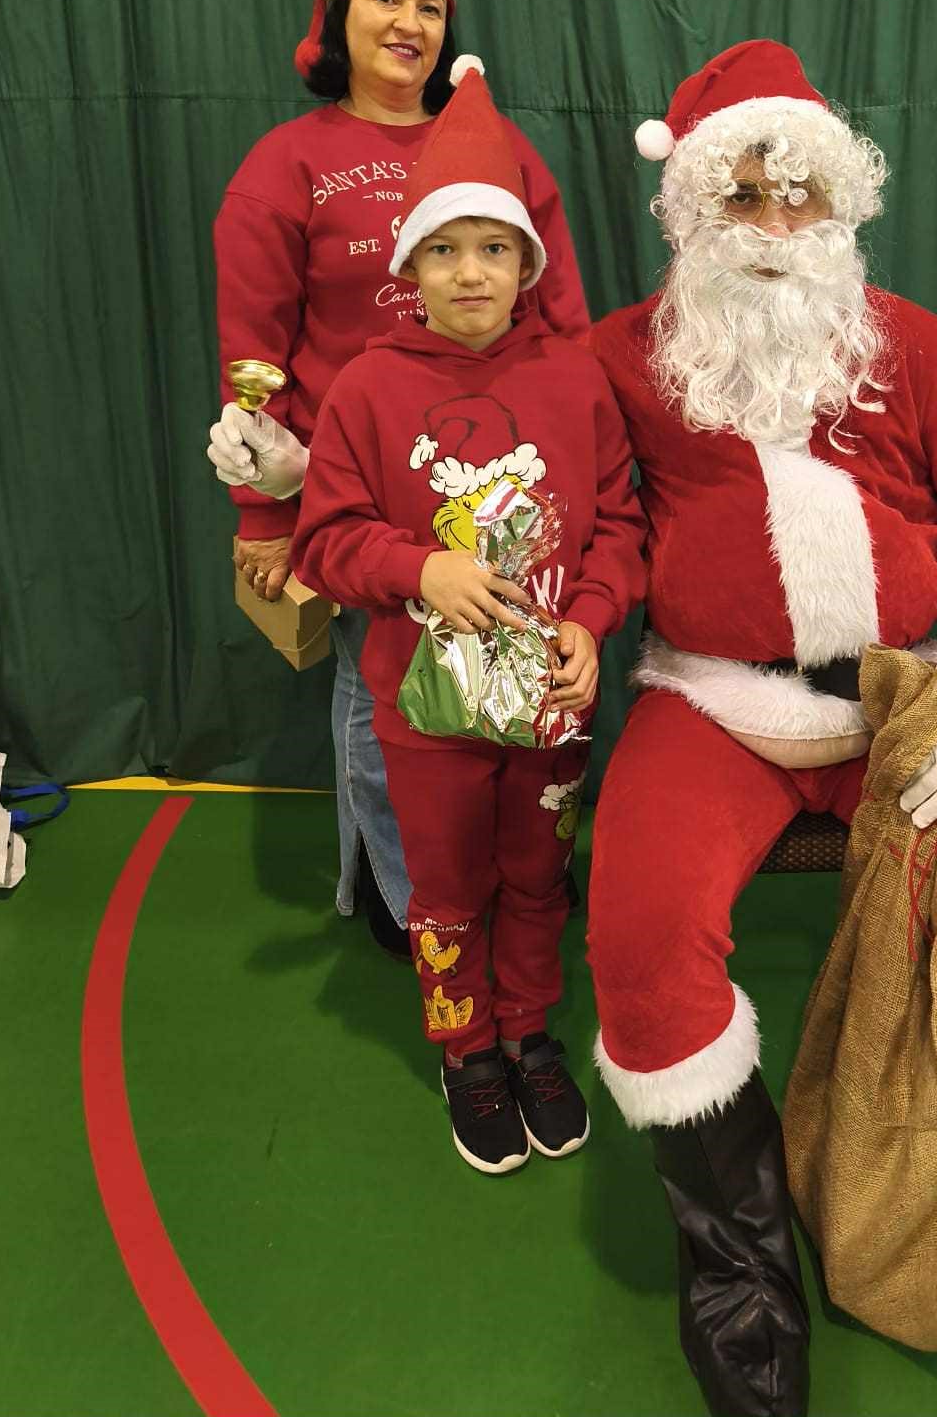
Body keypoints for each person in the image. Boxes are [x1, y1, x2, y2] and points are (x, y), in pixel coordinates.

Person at [585, 40, 937, 1417]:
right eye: (742, 197)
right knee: (643, 944)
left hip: (904, 704)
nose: (773, 227)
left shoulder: (911, 349)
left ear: (839, 205)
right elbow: (564, 511)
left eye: (798, 195)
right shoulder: (617, 359)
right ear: (691, 213)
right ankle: (739, 1271)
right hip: (711, 704)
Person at [205, 0, 589, 954]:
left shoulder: (498, 149)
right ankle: (405, 888)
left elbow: (561, 314)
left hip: (505, 481)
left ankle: (522, 871)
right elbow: (252, 349)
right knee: (381, 696)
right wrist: (263, 509)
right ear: (338, 14)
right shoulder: (286, 166)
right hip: (365, 490)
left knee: (517, 668)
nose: (409, 23)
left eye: (429, 4)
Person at [291, 60, 645, 1172]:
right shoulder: (366, 389)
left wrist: (593, 618)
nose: (471, 272)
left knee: (537, 875)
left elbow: (622, 525)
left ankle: (530, 1032)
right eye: (444, 250)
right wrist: (418, 569)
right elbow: (322, 541)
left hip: (551, 705)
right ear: (409, 267)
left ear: (528, 263)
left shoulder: (578, 381)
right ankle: (468, 1050)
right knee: (445, 890)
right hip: (425, 715)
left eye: (494, 248)